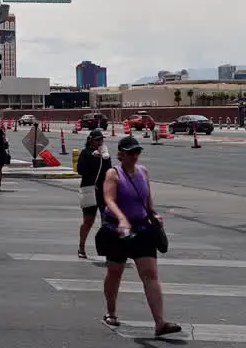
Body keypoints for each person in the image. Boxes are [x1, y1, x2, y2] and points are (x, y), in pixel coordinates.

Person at [97, 136, 179, 337]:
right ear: (121, 154)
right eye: (131, 152)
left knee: (150, 274)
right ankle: (111, 311)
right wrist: (122, 219)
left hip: (142, 230)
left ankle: (160, 322)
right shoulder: (113, 173)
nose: (135, 156)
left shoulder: (143, 172)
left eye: (137, 152)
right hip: (118, 231)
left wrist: (154, 214)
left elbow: (147, 200)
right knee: (115, 271)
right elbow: (109, 199)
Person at [76, 129, 112, 259]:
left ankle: (106, 248)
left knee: (105, 219)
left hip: (102, 191)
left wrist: (104, 157)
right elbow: (80, 170)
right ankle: (81, 246)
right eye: (97, 140)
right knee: (88, 220)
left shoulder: (104, 154)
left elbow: (109, 171)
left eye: (101, 140)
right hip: (88, 189)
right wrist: (92, 157)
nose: (100, 142)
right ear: (91, 140)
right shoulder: (86, 153)